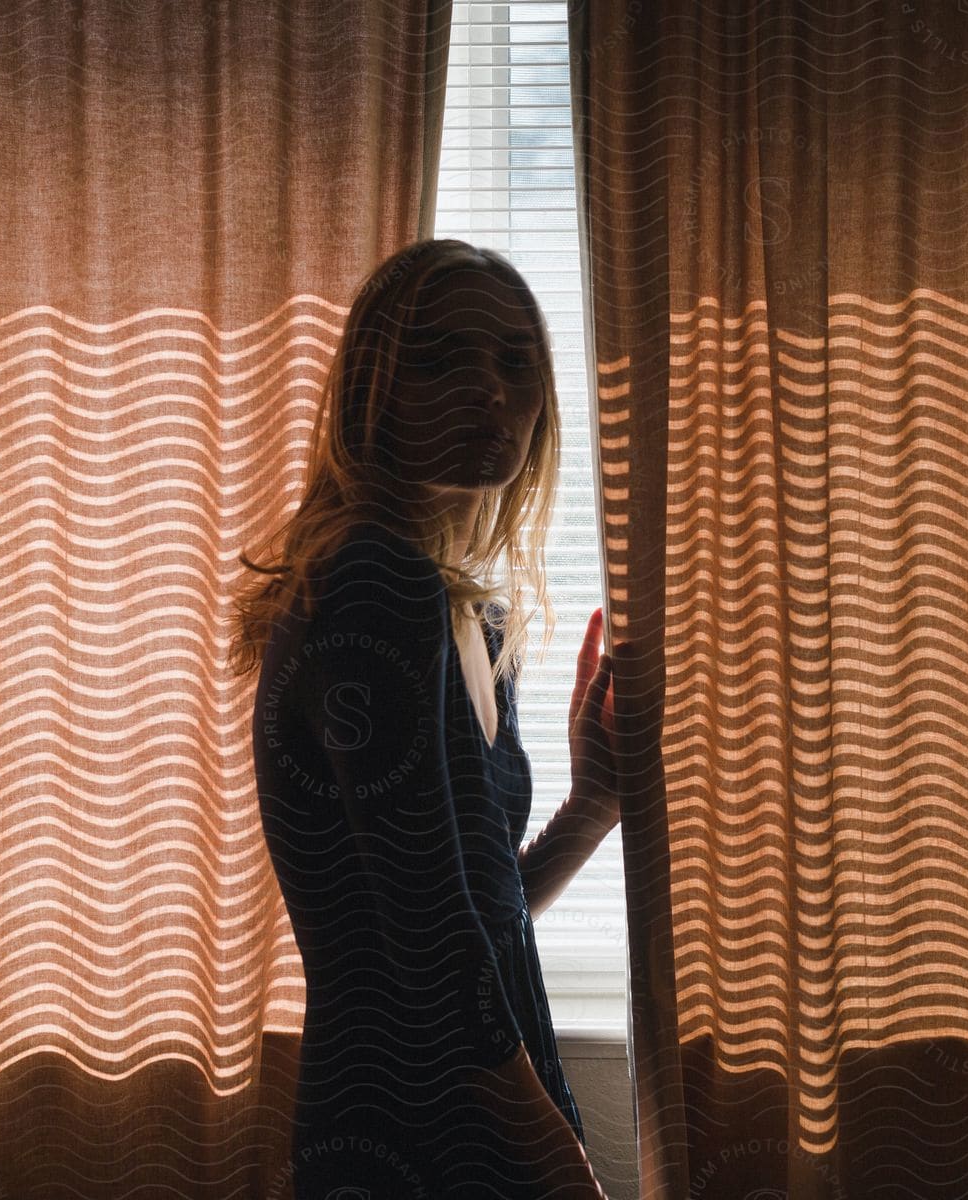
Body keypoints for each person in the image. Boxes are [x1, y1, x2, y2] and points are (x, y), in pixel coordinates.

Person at [231, 239, 622, 1198]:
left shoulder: (471, 610)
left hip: (465, 1108)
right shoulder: (372, 581)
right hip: (413, 1126)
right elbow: (433, 950)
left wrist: (592, 808)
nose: (489, 390)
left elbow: (471, 916)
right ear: (376, 389)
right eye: (440, 358)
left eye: (516, 362)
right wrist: (559, 1163)